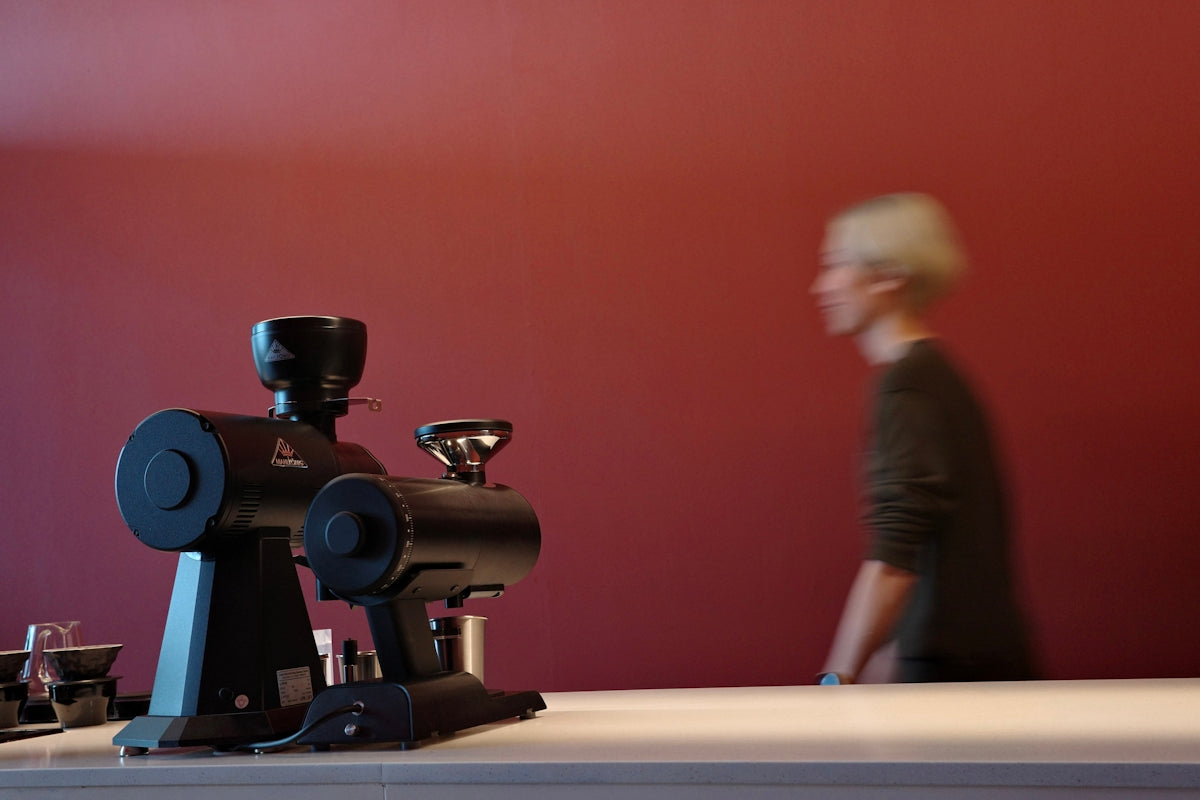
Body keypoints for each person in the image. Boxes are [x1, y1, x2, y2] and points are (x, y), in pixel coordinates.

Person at [811, 192, 1035, 684]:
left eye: (835, 265)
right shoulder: (939, 376)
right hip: (972, 661)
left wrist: (835, 681)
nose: (820, 286)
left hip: (952, 675)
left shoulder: (907, 385)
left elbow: (894, 557)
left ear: (889, 275)